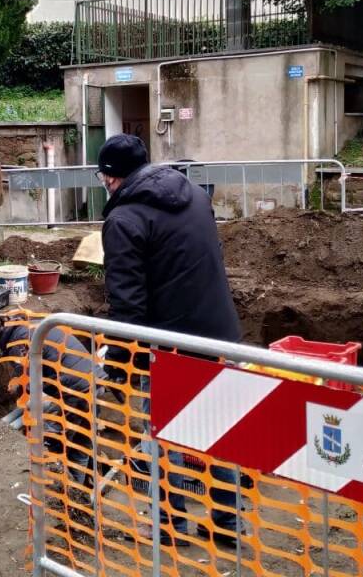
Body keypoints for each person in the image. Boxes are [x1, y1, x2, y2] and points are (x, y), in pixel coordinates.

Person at [96, 134, 242, 551]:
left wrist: (118, 366)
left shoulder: (123, 222)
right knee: (219, 434)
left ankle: (170, 526)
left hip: (170, 350)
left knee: (165, 438)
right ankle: (226, 524)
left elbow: (128, 306)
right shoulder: (195, 196)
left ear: (110, 178)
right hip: (221, 336)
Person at [0, 311, 104, 486]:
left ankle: (64, 495)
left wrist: (20, 390)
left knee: (54, 445)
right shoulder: (34, 325)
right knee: (81, 442)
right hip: (95, 382)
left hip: (73, 392)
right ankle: (80, 495)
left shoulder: (17, 345)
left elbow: (31, 388)